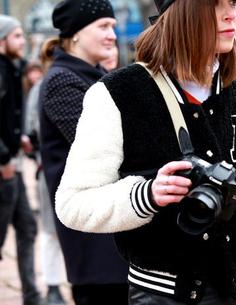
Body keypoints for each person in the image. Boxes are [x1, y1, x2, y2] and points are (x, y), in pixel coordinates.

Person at [54, 0, 236, 304]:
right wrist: (147, 195)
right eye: (216, 4)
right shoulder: (117, 93)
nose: (231, 15)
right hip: (164, 292)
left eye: (233, 3)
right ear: (183, 11)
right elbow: (72, 204)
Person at [38, 1, 128, 305]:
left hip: (111, 236)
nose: (112, 35)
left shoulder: (93, 77)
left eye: (113, 27)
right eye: (103, 26)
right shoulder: (63, 81)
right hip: (94, 245)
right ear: (75, 34)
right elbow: (107, 149)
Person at [0, 14, 44, 305]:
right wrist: (3, 158)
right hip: (4, 167)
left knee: (27, 227)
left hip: (13, 164)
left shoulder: (12, 69)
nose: (22, 40)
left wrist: (20, 141)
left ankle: (31, 295)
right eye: (16, 36)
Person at [24, 44, 68, 305]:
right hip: (50, 171)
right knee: (51, 232)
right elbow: (31, 130)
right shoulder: (43, 88)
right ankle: (52, 286)